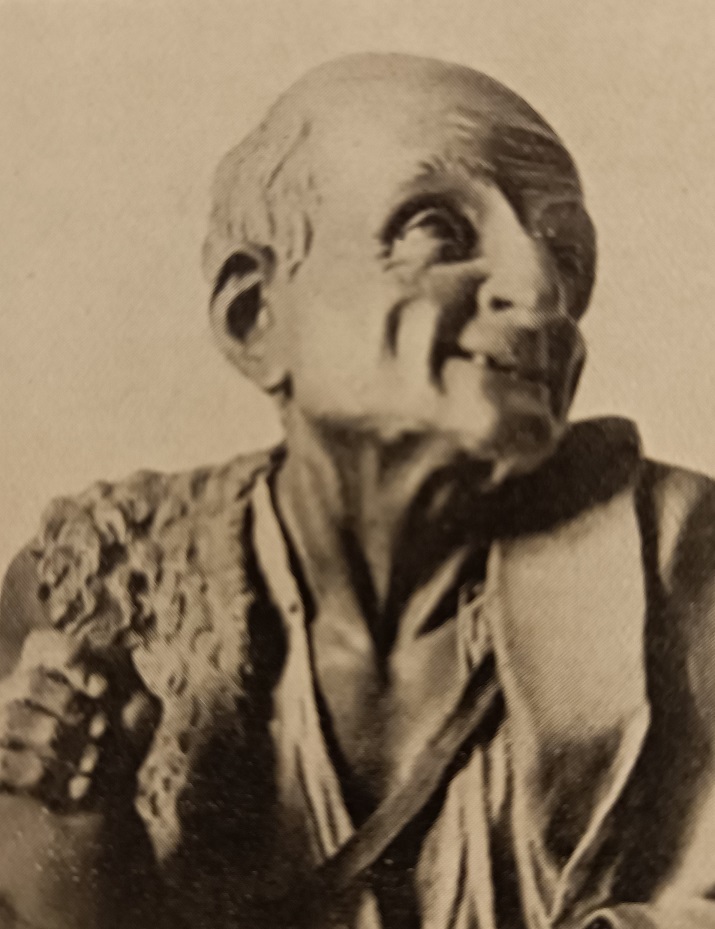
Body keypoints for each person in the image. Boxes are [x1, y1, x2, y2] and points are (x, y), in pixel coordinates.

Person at [0, 52, 714, 929]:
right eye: (437, 230)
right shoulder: (99, 583)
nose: (542, 292)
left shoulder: (676, 560)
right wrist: (72, 838)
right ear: (254, 316)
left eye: (564, 253)